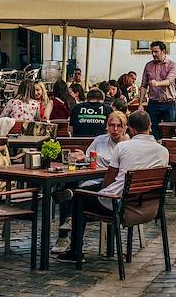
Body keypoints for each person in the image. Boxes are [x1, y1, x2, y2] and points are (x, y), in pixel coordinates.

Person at [57, 111, 168, 264]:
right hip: (150, 207)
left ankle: (75, 251)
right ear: (150, 126)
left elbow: (109, 181)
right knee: (83, 193)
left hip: (120, 205)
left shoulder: (123, 147)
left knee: (78, 197)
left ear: (131, 129)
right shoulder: (163, 151)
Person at [50, 110, 128, 254]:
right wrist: (82, 157)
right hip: (92, 179)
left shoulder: (127, 146)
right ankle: (67, 226)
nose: (115, 129)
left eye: (119, 126)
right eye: (112, 125)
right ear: (107, 126)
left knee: (76, 196)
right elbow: (89, 158)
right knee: (70, 187)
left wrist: (95, 161)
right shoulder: (100, 140)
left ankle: (69, 238)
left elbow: (116, 169)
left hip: (110, 187)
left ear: (125, 127)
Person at [142, 41, 176, 139]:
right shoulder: (148, 65)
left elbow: (169, 81)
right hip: (153, 103)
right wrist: (140, 104)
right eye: (152, 52)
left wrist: (157, 83)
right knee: (154, 130)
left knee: (169, 130)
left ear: (163, 51)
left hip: (168, 103)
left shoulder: (172, 65)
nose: (153, 54)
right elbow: (143, 85)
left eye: (156, 52)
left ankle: (167, 152)